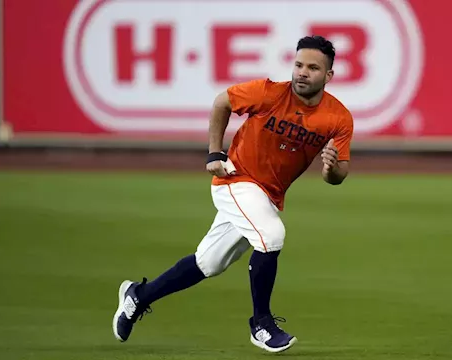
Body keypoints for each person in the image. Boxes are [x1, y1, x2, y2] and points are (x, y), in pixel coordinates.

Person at [112, 35, 354, 353]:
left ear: (329, 76)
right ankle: (262, 324)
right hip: (235, 181)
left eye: (312, 67)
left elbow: (338, 175)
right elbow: (222, 102)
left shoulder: (338, 117)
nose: (302, 72)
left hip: (267, 195)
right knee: (271, 235)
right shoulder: (269, 92)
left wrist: (330, 169)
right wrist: (215, 152)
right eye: (298, 64)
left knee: (208, 263)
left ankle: (138, 297)